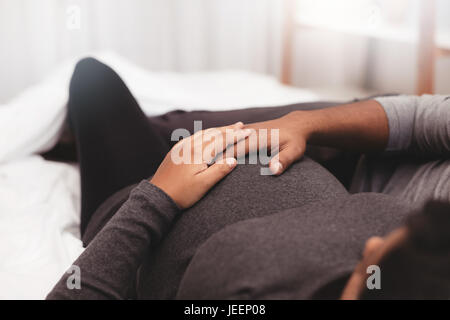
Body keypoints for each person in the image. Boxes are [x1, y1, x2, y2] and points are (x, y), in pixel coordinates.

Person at [46, 58, 450, 300]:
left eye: (380, 256)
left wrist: (157, 196)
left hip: (138, 191)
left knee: (91, 80)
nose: (375, 242)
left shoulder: (231, 292)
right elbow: (417, 120)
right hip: (239, 153)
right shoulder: (400, 232)